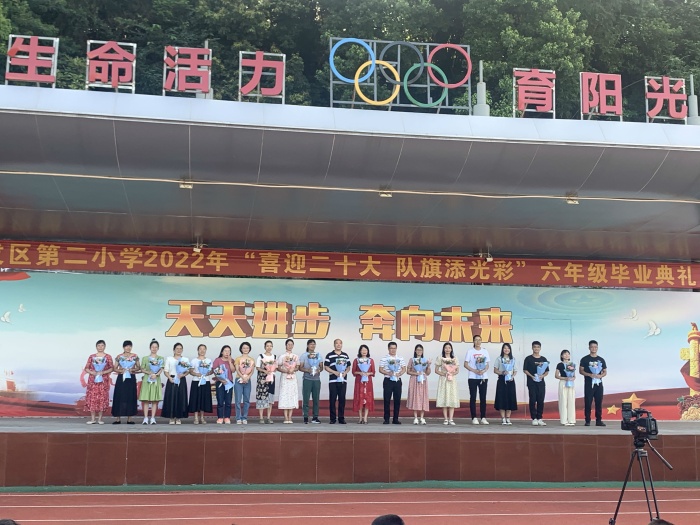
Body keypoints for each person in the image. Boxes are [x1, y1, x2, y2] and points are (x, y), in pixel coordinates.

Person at [83, 339, 113, 425]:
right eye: (99, 345)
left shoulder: (108, 357)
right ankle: (92, 419)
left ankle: (100, 419)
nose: (100, 347)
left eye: (102, 345)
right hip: (93, 380)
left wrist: (103, 372)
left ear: (105, 346)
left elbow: (111, 368)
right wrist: (92, 372)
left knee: (102, 398)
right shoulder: (92, 356)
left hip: (103, 380)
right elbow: (86, 368)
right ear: (96, 347)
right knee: (92, 398)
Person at [579, 339, 608, 427]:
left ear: (597, 348)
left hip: (599, 384)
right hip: (589, 384)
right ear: (589, 348)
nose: (594, 348)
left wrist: (600, 375)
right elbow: (581, 371)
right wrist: (589, 374)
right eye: (592, 347)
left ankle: (599, 420)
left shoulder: (601, 359)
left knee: (599, 402)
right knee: (588, 402)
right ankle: (587, 420)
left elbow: (605, 371)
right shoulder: (585, 359)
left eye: (595, 347)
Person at [111, 340, 140, 424]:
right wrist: (121, 370)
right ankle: (118, 418)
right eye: (127, 346)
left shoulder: (135, 356)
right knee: (119, 396)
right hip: (121, 378)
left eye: (130, 346)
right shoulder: (119, 356)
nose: (128, 348)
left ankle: (129, 418)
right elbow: (114, 368)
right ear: (123, 347)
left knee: (131, 396)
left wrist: (132, 369)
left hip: (131, 377)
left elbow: (138, 367)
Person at [464, 335, 490, 425]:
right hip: (473, 377)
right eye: (476, 340)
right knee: (473, 397)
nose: (478, 342)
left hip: (483, 377)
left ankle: (483, 417)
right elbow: (465, 364)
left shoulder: (485, 351)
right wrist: (474, 370)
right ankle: (474, 417)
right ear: (473, 341)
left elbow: (487, 364)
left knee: (483, 398)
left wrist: (483, 371)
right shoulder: (470, 351)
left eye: (479, 340)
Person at [161, 342, 190, 424]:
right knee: (171, 398)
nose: (179, 350)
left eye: (180, 349)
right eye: (177, 348)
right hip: (172, 379)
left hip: (181, 379)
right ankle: (171, 417)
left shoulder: (185, 359)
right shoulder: (169, 359)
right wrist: (169, 377)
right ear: (174, 350)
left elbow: (188, 371)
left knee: (180, 398)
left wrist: (183, 375)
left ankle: (178, 417)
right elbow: (166, 371)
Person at [379, 341, 407, 424]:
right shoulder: (384, 358)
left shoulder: (400, 358)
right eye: (391, 348)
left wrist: (400, 373)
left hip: (397, 380)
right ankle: (386, 419)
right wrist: (387, 373)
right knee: (387, 399)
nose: (393, 350)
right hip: (388, 380)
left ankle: (395, 419)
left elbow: (404, 368)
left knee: (397, 400)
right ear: (388, 349)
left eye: (394, 348)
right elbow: (380, 369)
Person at [523, 340, 549, 426]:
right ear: (532, 348)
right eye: (534, 347)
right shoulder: (528, 358)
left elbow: (547, 371)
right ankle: (534, 418)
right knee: (533, 399)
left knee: (541, 400)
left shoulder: (543, 359)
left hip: (541, 383)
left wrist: (542, 376)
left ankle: (540, 418)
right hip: (532, 382)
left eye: (538, 347)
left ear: (540, 348)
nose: (536, 348)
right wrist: (531, 376)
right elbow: (525, 370)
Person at [324, 338, 350, 424]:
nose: (338, 345)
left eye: (340, 343)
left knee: (342, 399)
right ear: (334, 345)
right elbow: (326, 367)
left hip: (342, 380)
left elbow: (348, 366)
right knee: (332, 399)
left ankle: (341, 418)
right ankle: (332, 418)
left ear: (342, 345)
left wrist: (345, 372)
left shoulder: (345, 355)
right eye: (337, 343)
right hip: (333, 381)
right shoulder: (329, 355)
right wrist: (334, 372)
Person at [139, 339, 164, 425]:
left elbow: (161, 369)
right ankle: (145, 418)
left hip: (156, 379)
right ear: (150, 348)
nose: (154, 349)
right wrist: (149, 373)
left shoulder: (160, 358)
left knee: (154, 400)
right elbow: (142, 369)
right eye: (153, 347)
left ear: (158, 348)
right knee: (146, 399)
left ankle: (153, 418)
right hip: (147, 379)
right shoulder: (145, 358)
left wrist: (156, 375)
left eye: (156, 347)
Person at [435, 342, 460, 425]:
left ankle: (451, 419)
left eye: (449, 348)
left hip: (452, 380)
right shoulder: (440, 358)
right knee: (444, 398)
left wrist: (452, 373)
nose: (447, 349)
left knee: (452, 398)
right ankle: (445, 419)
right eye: (446, 348)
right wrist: (444, 374)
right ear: (443, 349)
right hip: (443, 379)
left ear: (451, 349)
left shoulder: (454, 358)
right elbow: (436, 370)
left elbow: (457, 370)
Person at [406, 343, 430, 425]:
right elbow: (408, 371)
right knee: (415, 397)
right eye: (418, 350)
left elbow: (428, 373)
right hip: (414, 380)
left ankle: (422, 417)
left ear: (422, 351)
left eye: (421, 350)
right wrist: (416, 373)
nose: (419, 351)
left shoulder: (425, 360)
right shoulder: (412, 360)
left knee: (423, 397)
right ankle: (415, 417)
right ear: (415, 351)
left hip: (423, 380)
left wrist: (428, 365)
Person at [299, 339, 322, 424]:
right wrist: (308, 370)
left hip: (316, 380)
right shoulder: (304, 355)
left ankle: (315, 417)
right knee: (306, 398)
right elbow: (300, 367)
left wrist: (318, 370)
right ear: (308, 345)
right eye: (311, 344)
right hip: (307, 379)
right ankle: (305, 416)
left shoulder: (318, 355)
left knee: (316, 399)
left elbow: (321, 367)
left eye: (314, 344)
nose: (313, 346)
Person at [188, 343, 213, 424]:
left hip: (206, 381)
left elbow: (211, 371)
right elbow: (190, 371)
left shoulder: (208, 360)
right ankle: (195, 417)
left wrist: (208, 373)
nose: (202, 351)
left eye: (204, 349)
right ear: (198, 350)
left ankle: (202, 417)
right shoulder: (194, 360)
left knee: (203, 399)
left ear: (206, 350)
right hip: (196, 381)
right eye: (200, 349)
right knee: (196, 399)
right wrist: (196, 374)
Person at [493, 342, 517, 425]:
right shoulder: (499, 359)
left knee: (510, 398)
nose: (506, 350)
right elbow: (495, 370)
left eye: (508, 348)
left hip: (510, 380)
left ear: (510, 350)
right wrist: (502, 372)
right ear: (502, 349)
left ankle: (508, 418)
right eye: (505, 348)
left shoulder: (513, 359)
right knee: (502, 399)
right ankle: (503, 418)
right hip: (501, 380)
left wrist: (512, 376)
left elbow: (515, 370)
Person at [277, 338, 300, 424]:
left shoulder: (295, 356)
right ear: (285, 345)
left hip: (292, 377)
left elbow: (298, 366)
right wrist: (285, 370)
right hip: (285, 377)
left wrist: (293, 370)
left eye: (291, 344)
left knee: (291, 395)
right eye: (288, 344)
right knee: (285, 395)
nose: (290, 346)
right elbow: (278, 367)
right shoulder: (282, 356)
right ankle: (285, 417)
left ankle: (290, 417)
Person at [352, 344, 375, 424]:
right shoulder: (356, 360)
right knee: (359, 398)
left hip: (368, 382)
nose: (364, 351)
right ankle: (360, 418)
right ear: (360, 351)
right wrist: (360, 373)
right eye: (362, 350)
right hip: (359, 382)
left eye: (365, 350)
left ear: (368, 351)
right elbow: (353, 371)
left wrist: (368, 373)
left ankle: (365, 418)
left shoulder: (371, 360)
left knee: (367, 399)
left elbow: (373, 372)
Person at [233, 341, 255, 424]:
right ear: (241, 349)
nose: (245, 349)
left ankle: (244, 417)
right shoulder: (238, 359)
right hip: (239, 380)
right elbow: (237, 369)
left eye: (247, 348)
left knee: (246, 400)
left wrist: (247, 377)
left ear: (249, 349)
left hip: (247, 381)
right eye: (244, 348)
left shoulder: (252, 359)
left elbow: (252, 371)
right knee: (238, 400)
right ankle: (238, 418)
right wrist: (242, 377)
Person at [255, 340, 276, 424]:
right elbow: (257, 367)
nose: (269, 347)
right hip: (262, 379)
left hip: (271, 379)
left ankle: (268, 417)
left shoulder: (274, 356)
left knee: (270, 398)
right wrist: (265, 371)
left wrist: (272, 370)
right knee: (262, 397)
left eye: (271, 346)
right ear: (264, 347)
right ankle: (261, 417)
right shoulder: (261, 356)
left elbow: (276, 367)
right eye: (267, 346)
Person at [213, 345, 235, 424]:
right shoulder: (217, 360)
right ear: (222, 352)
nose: (227, 353)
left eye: (229, 351)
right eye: (225, 351)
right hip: (220, 382)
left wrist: (230, 362)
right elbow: (215, 371)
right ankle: (220, 417)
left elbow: (233, 370)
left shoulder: (232, 360)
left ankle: (227, 417)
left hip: (229, 383)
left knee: (228, 401)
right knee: (220, 400)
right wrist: (221, 380)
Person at [555, 349, 576, 426]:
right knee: (563, 401)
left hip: (571, 383)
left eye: (568, 354)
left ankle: (571, 420)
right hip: (563, 382)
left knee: (571, 400)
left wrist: (572, 378)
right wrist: (564, 378)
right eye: (565, 354)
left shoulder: (572, 364)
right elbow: (556, 375)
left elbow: (574, 375)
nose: (566, 355)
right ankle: (564, 420)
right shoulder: (559, 365)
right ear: (562, 356)